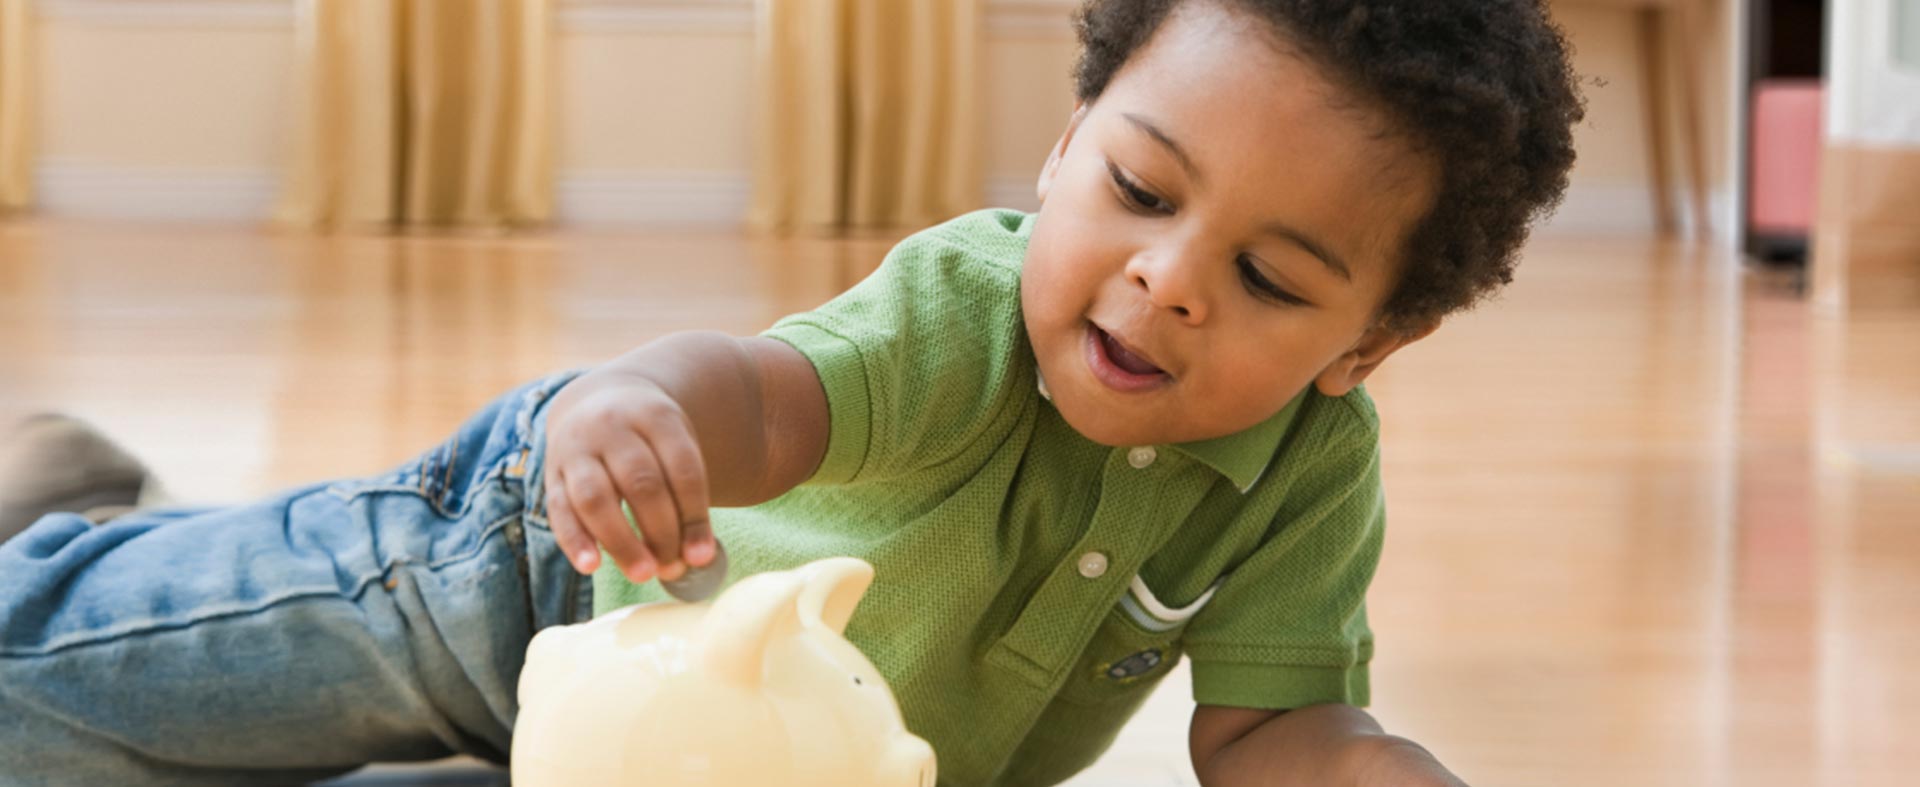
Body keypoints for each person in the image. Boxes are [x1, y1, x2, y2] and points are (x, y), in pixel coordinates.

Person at [0, 0, 1582, 783]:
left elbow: (1269, 734)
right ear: (1064, 142)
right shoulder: (967, 311)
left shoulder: (1313, 468)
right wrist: (638, 402)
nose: (1170, 278)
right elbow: (760, 400)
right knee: (89, 693)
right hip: (556, 564)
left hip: (713, 762)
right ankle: (56, 556)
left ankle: (104, 506)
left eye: (1274, 282)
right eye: (1142, 189)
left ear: (1366, 348)